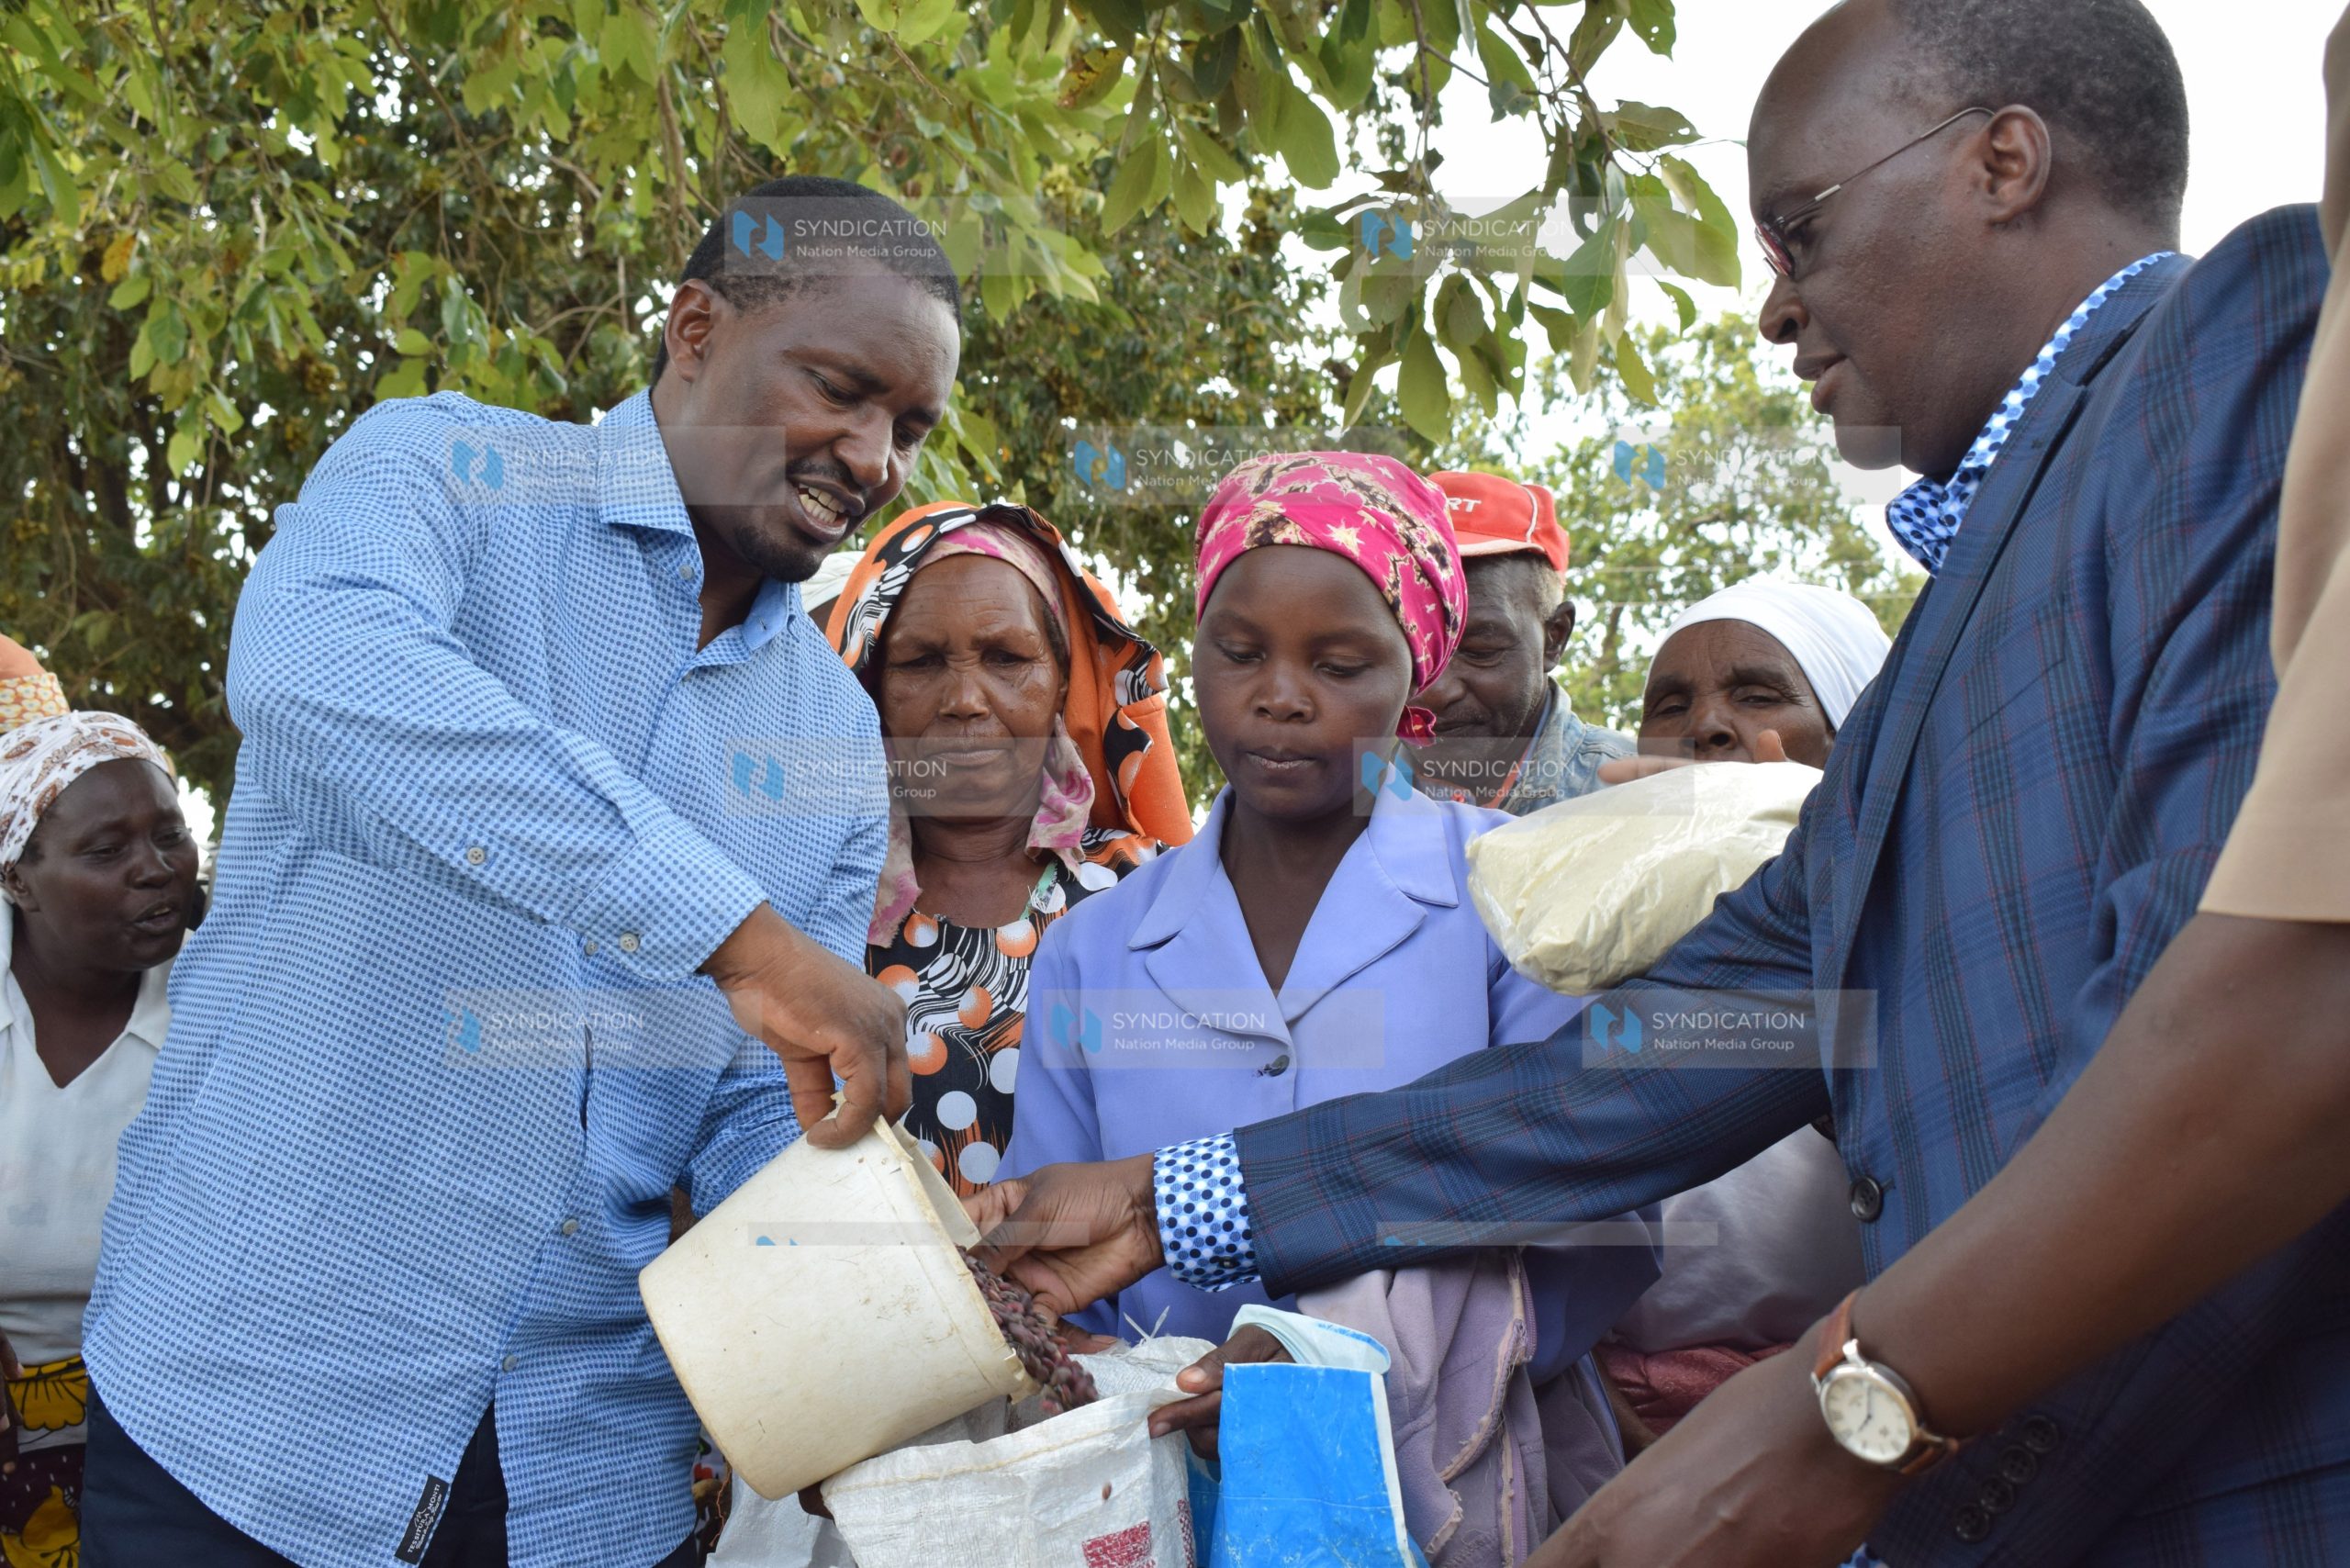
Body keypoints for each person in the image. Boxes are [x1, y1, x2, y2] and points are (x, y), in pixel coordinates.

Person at [971, 1, 2343, 1562]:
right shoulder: (1951, 631)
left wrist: (1854, 1402)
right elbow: (1654, 1060)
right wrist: (1178, 1198)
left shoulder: (2240, 349)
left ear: (2004, 163)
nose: (1776, 308)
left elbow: (2279, 1005)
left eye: (1800, 229)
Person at [76, 175, 954, 1568]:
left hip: (588, 1485)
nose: (874, 455)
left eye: (910, 427)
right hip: (248, 1426)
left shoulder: (836, 741)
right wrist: (733, 930)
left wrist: (899, 1247)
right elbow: (311, 667)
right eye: (842, 389)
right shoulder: (445, 473)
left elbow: (748, 1117)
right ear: (693, 328)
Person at [995, 454, 1657, 1499]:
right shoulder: (1092, 948)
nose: (1281, 697)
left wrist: (1352, 1372)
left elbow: (1593, 1223)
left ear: (1416, 671)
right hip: (1167, 1476)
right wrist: (1116, 1380)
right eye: (1240, 651)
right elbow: (1053, 1248)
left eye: (1340, 663)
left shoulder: (1520, 895)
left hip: (1450, 1479)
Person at [1589, 579, 1889, 1446]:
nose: (1707, 727)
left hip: (1868, 1407)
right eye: (1669, 704)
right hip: (1606, 1424)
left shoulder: (1920, 929)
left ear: (1852, 742)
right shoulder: (1581, 928)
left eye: (1757, 695)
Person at [826, 499, 1192, 1195]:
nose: (965, 698)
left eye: (1007, 658)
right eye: (921, 661)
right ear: (871, 691)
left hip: (1111, 1306)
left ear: (1061, 682)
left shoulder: (1152, 891)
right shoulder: (823, 912)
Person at [0, 708, 199, 1568]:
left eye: (169, 837)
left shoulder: (223, 1016)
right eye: (106, 851)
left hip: (180, 1441)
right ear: (18, 881)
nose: (155, 872)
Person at [1406, 470, 1632, 811]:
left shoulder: (1637, 797)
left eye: (1482, 652)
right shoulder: (1340, 790)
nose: (1434, 691)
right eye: (1415, 651)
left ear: (1554, 638)